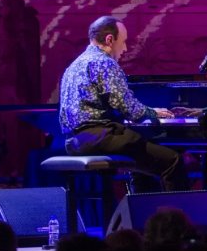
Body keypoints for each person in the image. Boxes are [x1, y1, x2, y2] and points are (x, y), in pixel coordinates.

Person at [59, 15, 187, 191]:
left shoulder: (73, 66)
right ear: (110, 40)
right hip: (98, 138)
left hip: (73, 142)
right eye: (124, 41)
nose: (125, 48)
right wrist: (152, 112)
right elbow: (127, 106)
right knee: (172, 160)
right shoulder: (104, 62)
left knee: (141, 157)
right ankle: (174, 218)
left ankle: (142, 213)